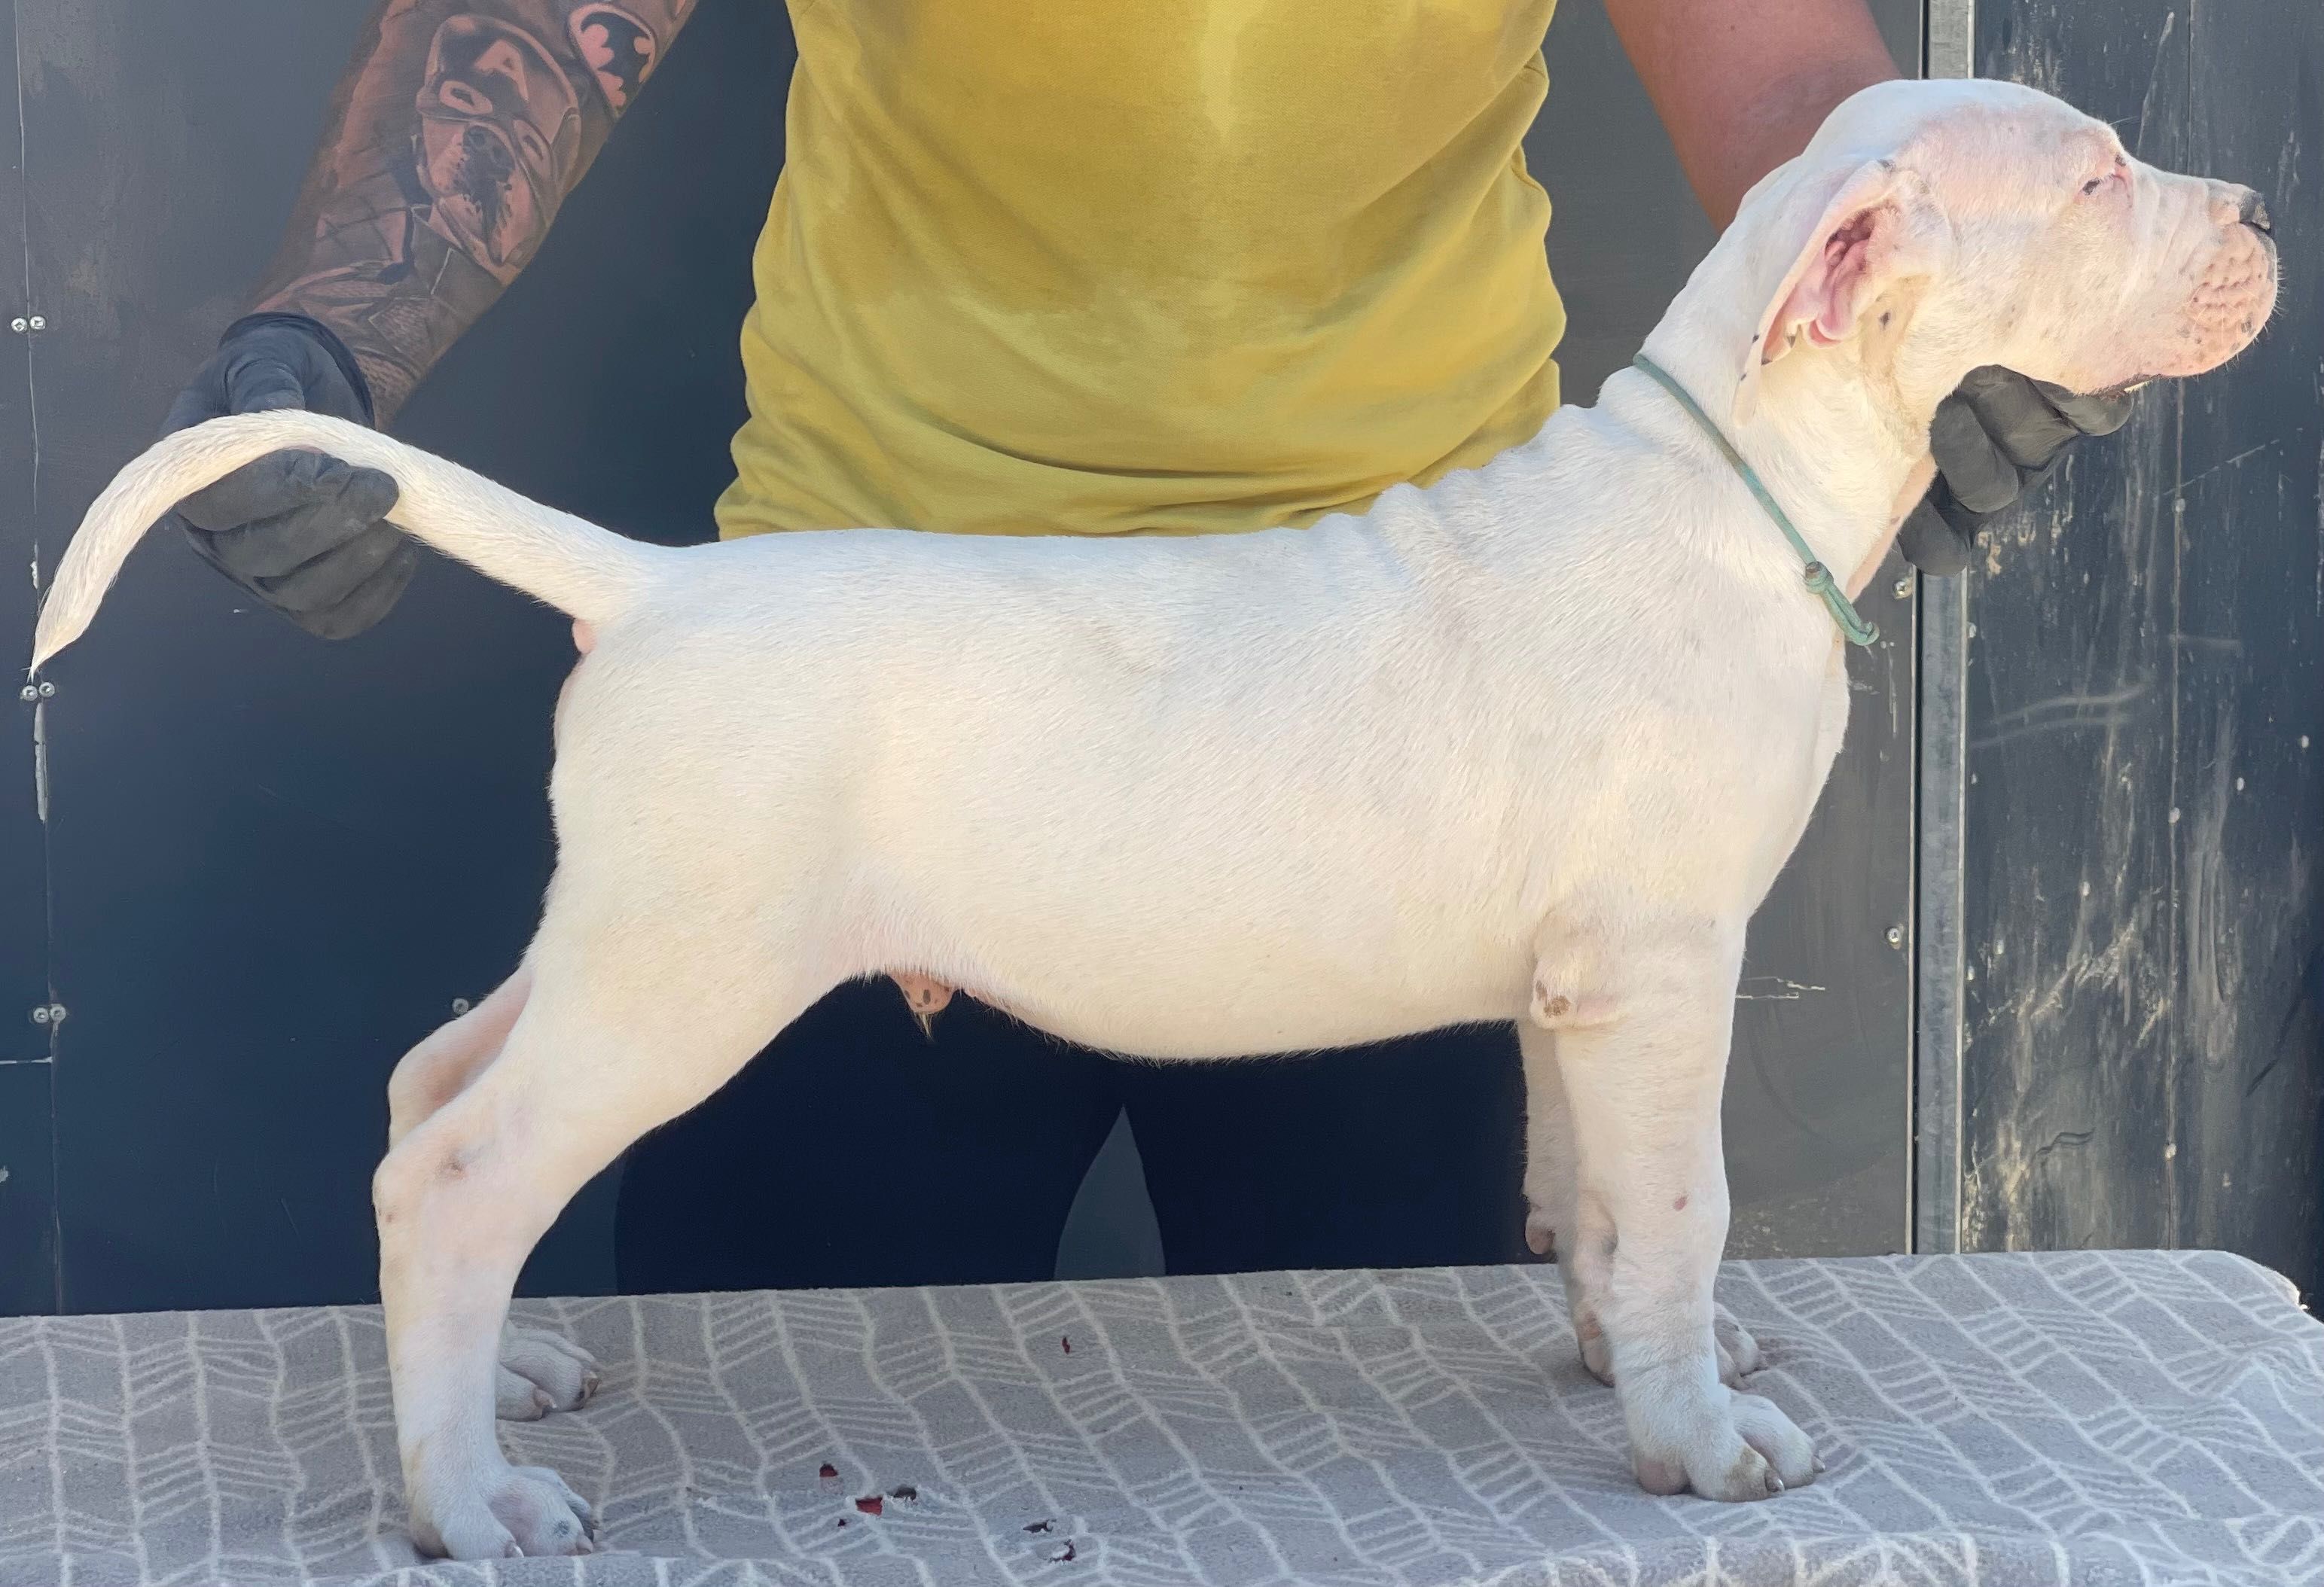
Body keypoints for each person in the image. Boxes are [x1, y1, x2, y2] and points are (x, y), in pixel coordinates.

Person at [161, 0, 2130, 1293]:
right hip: (893, 679)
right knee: (783, 1464)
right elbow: (536, 26)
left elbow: (1785, 80)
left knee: (1372, 1480)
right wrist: (320, 355)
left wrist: (1950, 302)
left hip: (1404, 715)